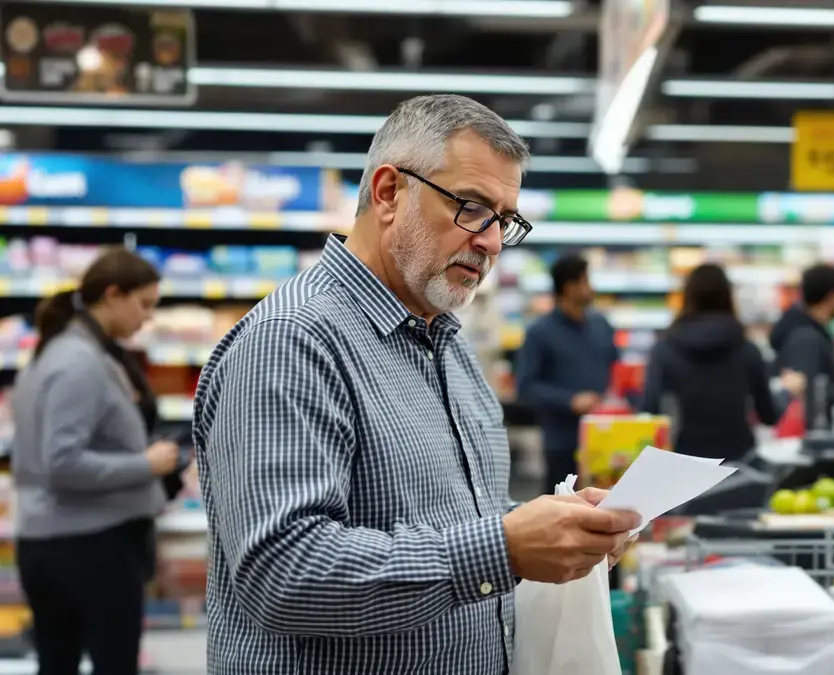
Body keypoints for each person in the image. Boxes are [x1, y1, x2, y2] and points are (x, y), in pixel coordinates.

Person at [191, 95, 640, 674]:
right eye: (472, 207)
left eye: (505, 221)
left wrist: (557, 528)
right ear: (388, 192)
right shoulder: (291, 342)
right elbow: (283, 574)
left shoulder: (447, 343)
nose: (491, 242)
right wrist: (504, 547)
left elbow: (453, 515)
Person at [11, 248, 184, 675]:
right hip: (89, 544)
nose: (148, 318)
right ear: (112, 295)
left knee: (57, 662)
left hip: (54, 539)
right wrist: (146, 465)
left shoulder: (59, 353)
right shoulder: (79, 363)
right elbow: (62, 463)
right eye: (143, 304)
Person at [641, 263, 778, 459]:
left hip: (684, 459)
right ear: (728, 297)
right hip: (739, 458)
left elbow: (649, 410)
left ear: (687, 297)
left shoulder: (664, 350)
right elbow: (769, 416)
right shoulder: (747, 350)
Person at [516, 254, 618, 494]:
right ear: (569, 287)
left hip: (605, 441)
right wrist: (570, 400)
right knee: (563, 507)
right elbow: (526, 387)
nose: (591, 287)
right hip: (562, 442)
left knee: (606, 505)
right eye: (585, 281)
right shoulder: (539, 332)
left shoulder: (601, 325)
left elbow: (615, 367)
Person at [770, 263, 834, 428]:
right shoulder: (806, 338)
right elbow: (811, 396)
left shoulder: (804, 330)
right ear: (831, 296)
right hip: (810, 434)